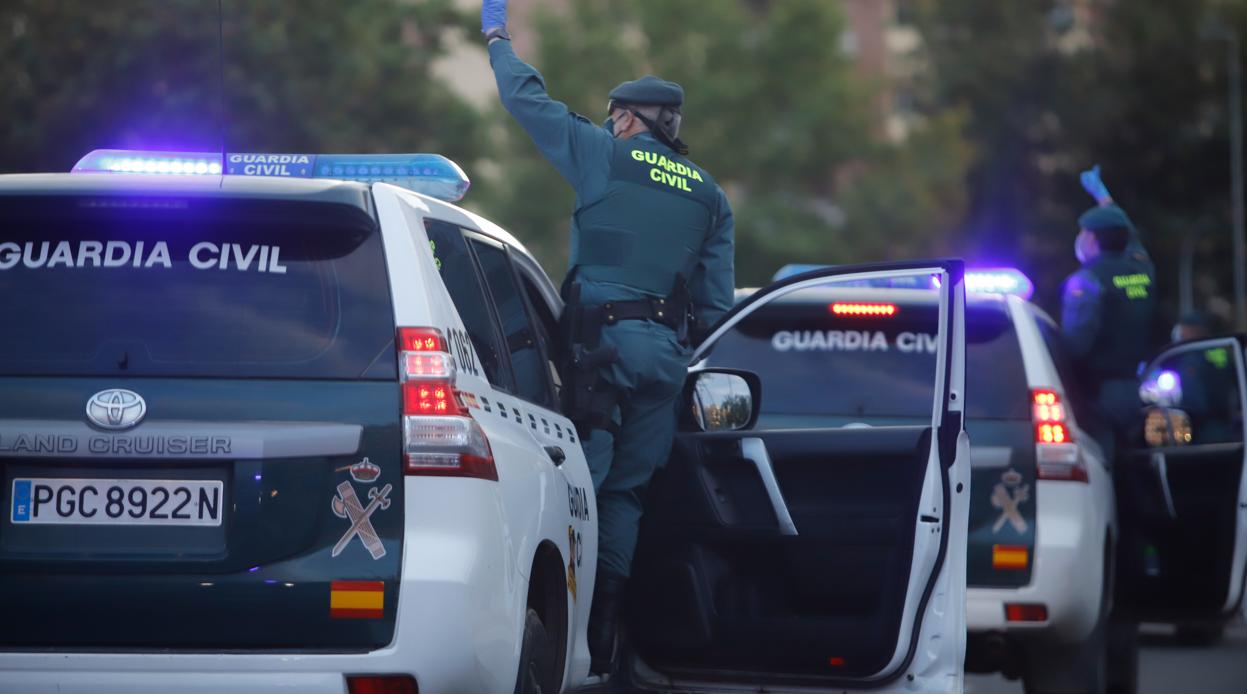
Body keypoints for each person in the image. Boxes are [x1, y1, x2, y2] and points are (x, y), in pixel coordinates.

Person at [481, 0, 736, 674]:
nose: (605, 125)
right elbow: (713, 307)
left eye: (610, 117)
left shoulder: (605, 156)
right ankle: (610, 636)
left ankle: (572, 646)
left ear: (626, 119)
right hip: (665, 362)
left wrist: (498, 36)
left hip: (603, 351)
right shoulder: (710, 196)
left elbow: (524, 98)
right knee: (625, 496)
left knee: (582, 491)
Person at [1062, 166, 1158, 459]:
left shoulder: (1087, 281)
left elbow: (1077, 343)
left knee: (1102, 465)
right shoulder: (1143, 269)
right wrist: (1102, 196)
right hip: (1135, 389)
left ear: (1092, 239)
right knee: (1134, 464)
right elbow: (1127, 231)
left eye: (1083, 232)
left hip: (1099, 394)